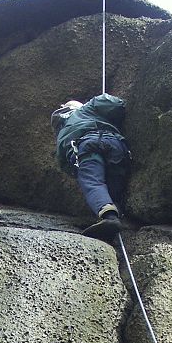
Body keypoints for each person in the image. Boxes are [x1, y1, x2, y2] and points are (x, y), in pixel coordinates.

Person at [51, 94, 131, 242]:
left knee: (93, 182)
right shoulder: (86, 109)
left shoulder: (62, 133)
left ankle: (110, 217)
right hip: (115, 145)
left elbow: (64, 163)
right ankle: (116, 214)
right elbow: (111, 103)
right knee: (115, 188)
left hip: (88, 147)